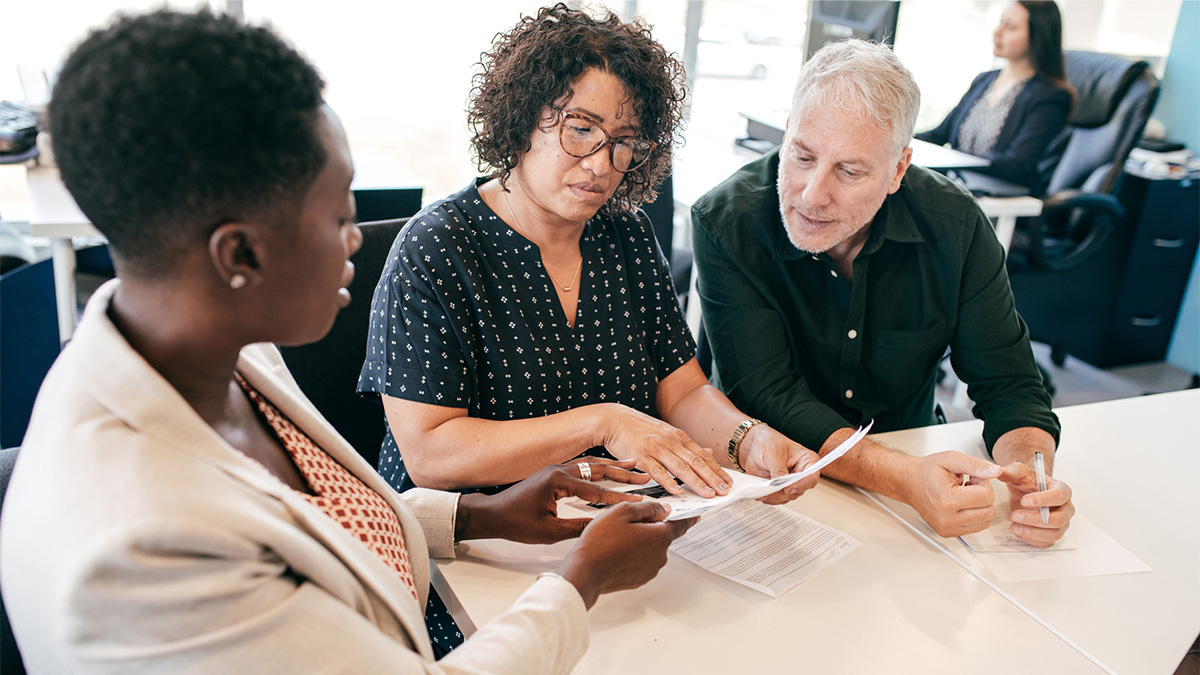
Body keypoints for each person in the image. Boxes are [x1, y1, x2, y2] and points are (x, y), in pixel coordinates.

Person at [0, 10, 695, 673]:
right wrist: (583, 576)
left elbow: (322, 517)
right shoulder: (146, 543)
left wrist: (479, 514)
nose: (359, 241)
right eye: (339, 215)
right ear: (239, 255)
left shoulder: (222, 355)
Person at [358, 4, 822, 503]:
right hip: (468, 541)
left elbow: (682, 391)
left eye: (624, 142)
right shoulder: (437, 247)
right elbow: (429, 453)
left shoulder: (626, 234)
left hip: (612, 525)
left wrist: (747, 439)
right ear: (521, 118)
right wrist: (603, 423)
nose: (602, 165)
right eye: (580, 129)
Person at [691, 39, 1076, 548]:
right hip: (773, 483)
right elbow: (770, 393)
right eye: (802, 156)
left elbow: (1010, 383)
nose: (811, 194)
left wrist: (1033, 478)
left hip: (909, 480)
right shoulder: (727, 221)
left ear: (898, 170)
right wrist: (905, 480)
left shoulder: (956, 227)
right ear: (786, 136)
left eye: (849, 171)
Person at [915, 1, 1073, 194]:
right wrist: (897, 142)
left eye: (1011, 27)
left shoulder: (1050, 97)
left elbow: (1018, 163)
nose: (998, 33)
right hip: (961, 186)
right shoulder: (985, 80)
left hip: (1002, 198)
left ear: (1038, 35)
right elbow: (939, 135)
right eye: (1000, 22)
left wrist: (958, 159)